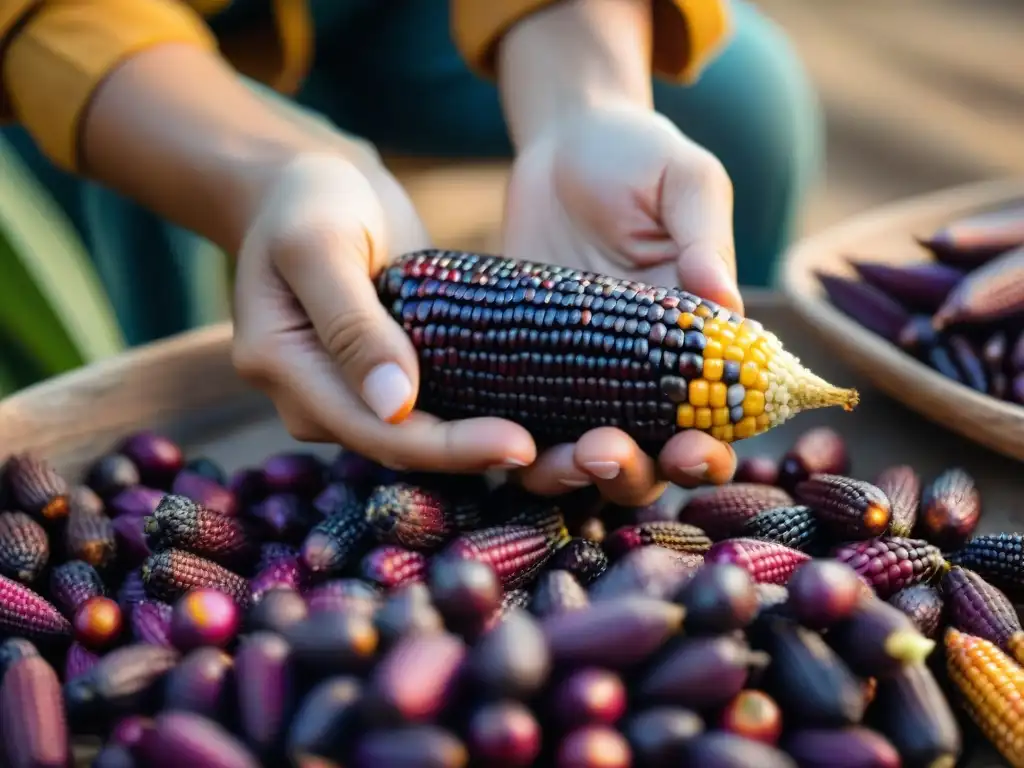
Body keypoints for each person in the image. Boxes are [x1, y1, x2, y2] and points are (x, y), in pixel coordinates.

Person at [0, 0, 822, 506]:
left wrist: (586, 98)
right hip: (106, 31)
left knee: (743, 98)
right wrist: (266, 173)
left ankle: (687, 508)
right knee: (128, 238)